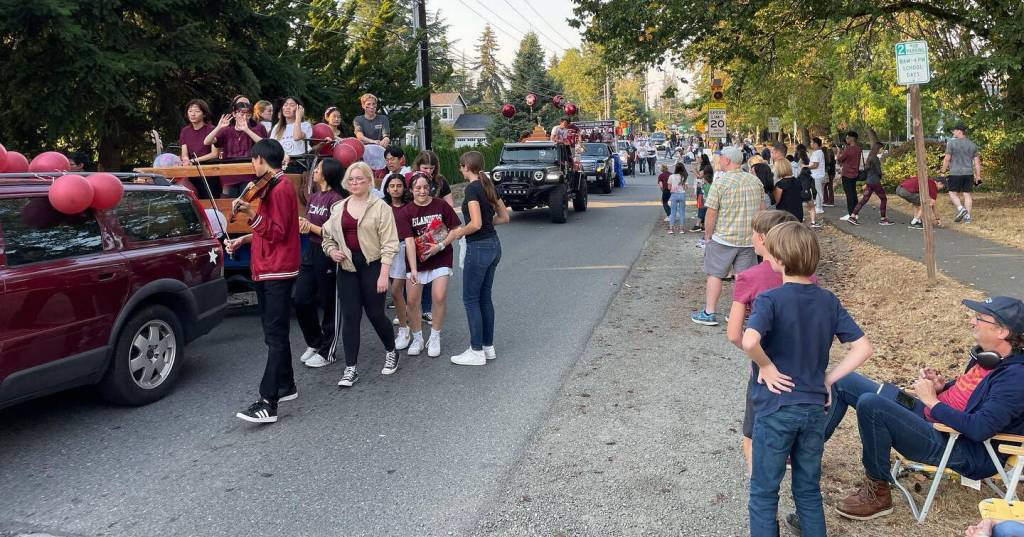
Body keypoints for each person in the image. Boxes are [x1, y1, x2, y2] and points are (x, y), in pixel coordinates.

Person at [820, 296, 1024, 522]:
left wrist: (932, 402)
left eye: (980, 319)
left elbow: (980, 428)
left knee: (872, 404)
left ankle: (877, 493)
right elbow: (970, 395)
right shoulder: (988, 358)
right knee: (843, 380)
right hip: (933, 419)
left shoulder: (1015, 379)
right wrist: (941, 388)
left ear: (1002, 332)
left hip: (959, 446)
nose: (972, 323)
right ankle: (808, 450)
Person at [742, 221, 873, 537]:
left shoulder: (770, 300)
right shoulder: (828, 300)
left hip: (776, 409)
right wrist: (828, 380)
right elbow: (864, 348)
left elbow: (748, 341)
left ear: (780, 260)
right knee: (808, 491)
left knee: (764, 492)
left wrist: (766, 367)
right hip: (814, 410)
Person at [228, 139, 301, 424]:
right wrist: (243, 238)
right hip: (265, 267)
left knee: (275, 334)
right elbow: (268, 228)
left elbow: (279, 232)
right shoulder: (271, 187)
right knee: (273, 332)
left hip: (277, 269)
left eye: (252, 160)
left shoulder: (281, 187)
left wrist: (249, 213)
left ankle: (268, 400)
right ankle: (286, 385)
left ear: (260, 160)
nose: (251, 165)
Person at [725, 210, 803, 475]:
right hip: (802, 369)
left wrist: (760, 358)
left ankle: (756, 477)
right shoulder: (809, 277)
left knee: (753, 429)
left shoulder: (749, 278)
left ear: (761, 239)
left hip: (764, 368)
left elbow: (735, 334)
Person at [321, 162, 400, 384]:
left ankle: (391, 350)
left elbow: (390, 243)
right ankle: (350, 368)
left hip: (372, 265)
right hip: (347, 267)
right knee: (351, 317)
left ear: (369, 181)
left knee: (375, 314)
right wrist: (332, 250)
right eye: (351, 179)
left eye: (360, 179)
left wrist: (384, 274)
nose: (355, 183)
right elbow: (327, 237)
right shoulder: (338, 208)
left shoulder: (380, 207)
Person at [691, 146, 765, 326]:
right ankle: (740, 314)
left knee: (715, 274)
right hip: (749, 239)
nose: (719, 160)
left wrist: (708, 237)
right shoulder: (755, 181)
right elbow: (763, 210)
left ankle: (709, 312)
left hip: (724, 237)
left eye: (721, 157)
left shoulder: (721, 183)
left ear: (728, 160)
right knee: (743, 276)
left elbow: (711, 213)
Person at [449, 151, 510, 365]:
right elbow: (504, 217)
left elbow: (474, 224)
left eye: (460, 165)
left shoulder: (472, 189)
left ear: (466, 166)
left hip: (478, 247)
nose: (459, 169)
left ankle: (476, 351)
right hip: (494, 245)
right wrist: (486, 224)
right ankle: (487, 347)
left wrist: (458, 232)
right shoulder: (488, 186)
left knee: (470, 299)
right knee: (484, 297)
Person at [396, 173, 462, 358]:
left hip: (441, 257)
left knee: (439, 296)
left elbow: (456, 230)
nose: (422, 191)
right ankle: (417, 338)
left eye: (425, 187)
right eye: (417, 188)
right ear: (411, 190)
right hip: (417, 261)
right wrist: (413, 269)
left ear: (430, 188)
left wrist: (440, 246)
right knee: (412, 301)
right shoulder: (406, 212)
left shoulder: (441, 205)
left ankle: (434, 336)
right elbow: (409, 241)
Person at [295, 158, 347, 369]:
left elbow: (336, 231)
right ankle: (314, 342)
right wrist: (303, 226)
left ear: (327, 174)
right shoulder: (314, 197)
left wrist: (310, 227)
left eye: (318, 169)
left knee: (329, 303)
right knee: (301, 299)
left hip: (329, 252)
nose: (314, 171)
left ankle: (328, 351)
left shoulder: (336, 199)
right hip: (311, 251)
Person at [206, 96, 267, 197]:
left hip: (250, 173)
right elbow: (207, 142)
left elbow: (264, 144)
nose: (244, 116)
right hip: (229, 173)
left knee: (247, 202)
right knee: (228, 204)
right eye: (241, 112)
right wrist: (218, 127)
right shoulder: (226, 130)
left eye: (247, 113)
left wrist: (246, 130)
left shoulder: (257, 127)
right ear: (234, 114)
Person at [383, 173, 413, 350]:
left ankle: (404, 329)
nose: (395, 189)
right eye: (392, 186)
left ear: (404, 188)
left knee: (395, 291)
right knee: (394, 290)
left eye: (399, 185)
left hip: (403, 249)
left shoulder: (409, 207)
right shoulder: (382, 207)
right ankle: (405, 323)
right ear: (387, 188)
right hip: (386, 251)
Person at [942, 123, 982, 224]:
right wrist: (978, 176)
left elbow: (947, 159)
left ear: (959, 131)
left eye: (954, 131)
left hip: (955, 173)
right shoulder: (972, 144)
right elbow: (977, 162)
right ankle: (968, 217)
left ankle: (961, 209)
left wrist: (942, 171)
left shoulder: (951, 143)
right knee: (967, 194)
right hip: (968, 173)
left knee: (952, 193)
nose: (953, 132)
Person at [847, 141, 894, 226]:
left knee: (864, 200)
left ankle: (852, 216)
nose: (882, 150)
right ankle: (883, 219)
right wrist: (881, 175)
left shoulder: (870, 157)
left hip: (869, 181)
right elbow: (879, 172)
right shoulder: (875, 158)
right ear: (878, 149)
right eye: (882, 148)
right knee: (883, 199)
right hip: (875, 182)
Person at [270, 96, 312, 172]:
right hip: (280, 163)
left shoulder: (305, 125)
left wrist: (298, 117)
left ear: (299, 109)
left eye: (292, 105)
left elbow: (297, 136)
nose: (288, 107)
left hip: (298, 164)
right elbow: (272, 146)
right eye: (285, 105)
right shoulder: (277, 127)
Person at [836, 131, 862, 221]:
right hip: (855, 174)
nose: (846, 139)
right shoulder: (858, 149)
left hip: (847, 174)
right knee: (853, 193)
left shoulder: (848, 149)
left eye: (847, 138)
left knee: (849, 195)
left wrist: (839, 151)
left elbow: (839, 159)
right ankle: (855, 213)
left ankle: (851, 214)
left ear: (851, 138)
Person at [795, 145, 820, 228]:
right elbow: (813, 188)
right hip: (807, 193)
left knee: (798, 206)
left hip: (798, 192)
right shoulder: (809, 175)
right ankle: (813, 222)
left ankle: (800, 220)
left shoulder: (795, 169)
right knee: (812, 207)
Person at [667, 162, 688, 234]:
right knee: (682, 212)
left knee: (673, 212)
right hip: (682, 194)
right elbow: (686, 187)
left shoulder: (671, 176)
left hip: (674, 195)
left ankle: (671, 229)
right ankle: (681, 229)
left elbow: (669, 187)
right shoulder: (683, 177)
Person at [693, 164, 714, 234]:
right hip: (709, 200)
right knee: (706, 213)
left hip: (703, 200)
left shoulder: (705, 185)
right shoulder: (712, 181)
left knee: (701, 211)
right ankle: (704, 226)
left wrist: (700, 185)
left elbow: (700, 187)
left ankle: (697, 225)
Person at [808, 138, 827, 215]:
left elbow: (815, 165)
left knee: (818, 192)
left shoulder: (817, 153)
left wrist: (806, 167)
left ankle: (819, 208)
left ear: (816, 144)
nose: (811, 144)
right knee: (819, 192)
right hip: (819, 175)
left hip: (817, 175)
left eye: (812, 143)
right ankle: (818, 207)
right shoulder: (819, 152)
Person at [822, 140, 837, 207]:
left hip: (828, 174)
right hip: (831, 174)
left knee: (826, 187)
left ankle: (828, 201)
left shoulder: (827, 159)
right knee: (829, 187)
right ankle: (829, 201)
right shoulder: (832, 159)